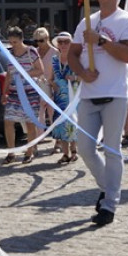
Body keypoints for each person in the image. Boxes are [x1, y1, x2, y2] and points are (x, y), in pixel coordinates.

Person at [70, 0, 128, 227]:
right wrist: (81, 72)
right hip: (90, 95)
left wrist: (100, 41)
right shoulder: (86, 22)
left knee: (112, 150)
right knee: (85, 150)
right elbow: (72, 53)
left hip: (115, 95)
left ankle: (109, 205)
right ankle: (108, 188)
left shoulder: (127, 21)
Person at [1, 27, 44, 165]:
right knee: (8, 121)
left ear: (21, 39)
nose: (13, 45)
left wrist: (24, 75)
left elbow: (40, 70)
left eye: (15, 42)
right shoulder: (10, 54)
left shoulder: (31, 52)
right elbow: (8, 74)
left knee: (29, 122)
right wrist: (4, 92)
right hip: (14, 92)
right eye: (11, 42)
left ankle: (29, 152)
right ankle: (11, 152)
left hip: (29, 92)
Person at [48, 31, 78, 164]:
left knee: (73, 122)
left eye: (67, 42)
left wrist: (74, 78)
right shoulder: (54, 60)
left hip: (73, 96)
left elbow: (83, 77)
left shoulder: (75, 58)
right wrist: (52, 84)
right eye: (60, 42)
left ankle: (74, 151)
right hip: (60, 97)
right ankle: (65, 153)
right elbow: (50, 78)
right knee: (61, 123)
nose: (63, 44)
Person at [32, 27, 58, 147]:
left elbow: (58, 70)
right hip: (37, 85)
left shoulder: (55, 52)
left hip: (51, 86)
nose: (39, 43)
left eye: (41, 40)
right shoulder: (34, 52)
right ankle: (38, 139)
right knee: (38, 114)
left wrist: (54, 83)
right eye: (36, 41)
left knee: (53, 114)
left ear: (47, 38)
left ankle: (57, 142)